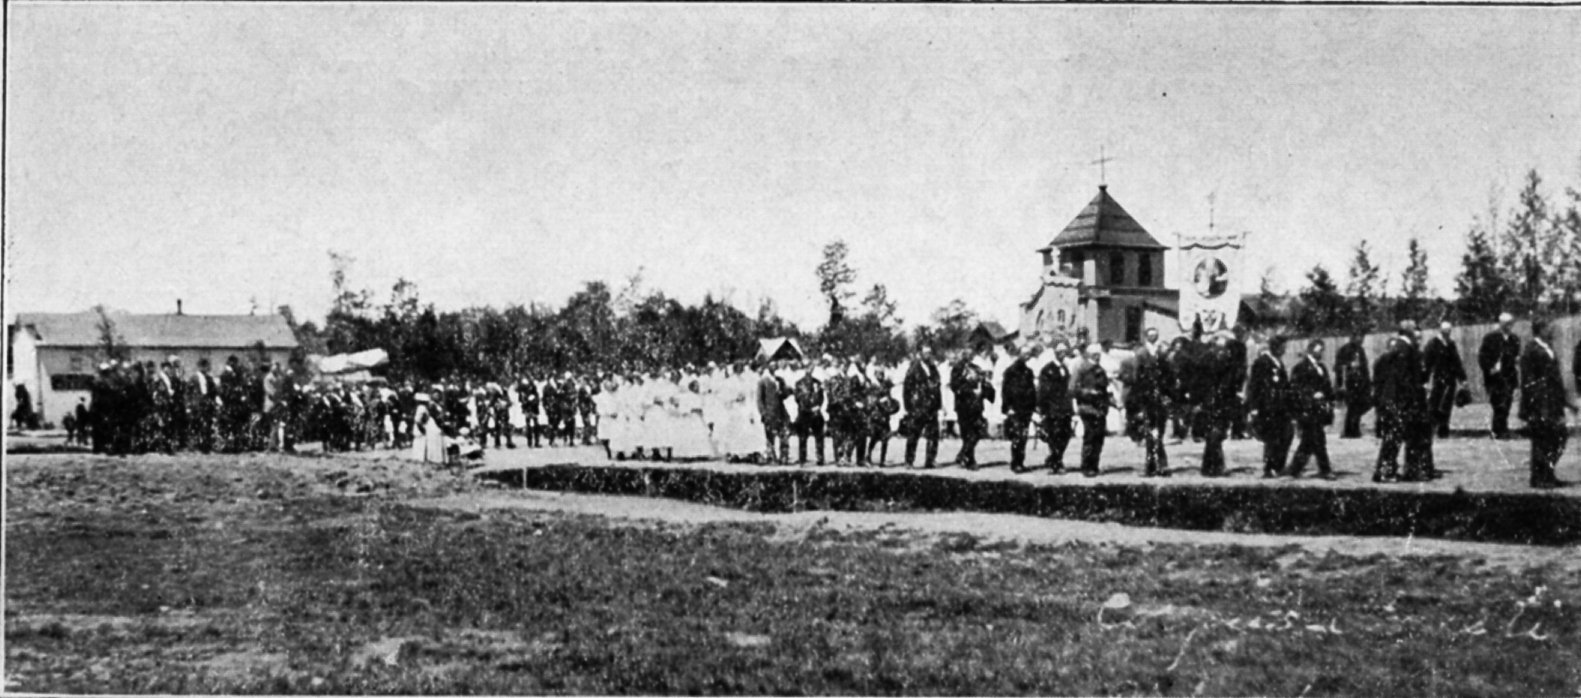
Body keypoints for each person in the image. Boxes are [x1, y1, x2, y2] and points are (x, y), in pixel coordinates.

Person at [1520, 318, 1574, 488]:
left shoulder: (1547, 347)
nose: (1551, 330)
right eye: (1548, 327)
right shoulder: (1531, 350)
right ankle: (1539, 478)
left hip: (1553, 402)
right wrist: (1536, 405)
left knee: (1559, 437)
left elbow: (1555, 379)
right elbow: (1528, 381)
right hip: (1540, 404)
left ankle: (1548, 473)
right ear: (1541, 329)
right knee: (1543, 440)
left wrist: (1566, 402)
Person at [1286, 339, 1336, 480]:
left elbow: (1327, 387)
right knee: (1318, 439)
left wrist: (1328, 399)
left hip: (1319, 410)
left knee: (1308, 442)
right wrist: (1311, 395)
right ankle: (1325, 469)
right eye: (1319, 350)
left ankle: (1294, 469)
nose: (1321, 353)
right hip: (1308, 410)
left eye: (1322, 350)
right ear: (1311, 350)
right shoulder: (1300, 368)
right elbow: (1296, 389)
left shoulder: (1321, 367)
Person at [1246, 334, 1294, 479]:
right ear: (1275, 347)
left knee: (1286, 435)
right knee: (1272, 439)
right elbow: (1254, 386)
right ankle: (1270, 468)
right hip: (1267, 407)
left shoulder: (1279, 363)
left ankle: (1279, 466)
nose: (1284, 350)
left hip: (1282, 407)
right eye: (1282, 347)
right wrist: (1254, 408)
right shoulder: (1262, 362)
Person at [1125, 339, 1172, 477]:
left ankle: (1155, 465)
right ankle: (1158, 465)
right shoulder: (1158, 369)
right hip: (1153, 404)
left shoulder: (1157, 370)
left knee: (1154, 435)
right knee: (1154, 435)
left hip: (1154, 404)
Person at [1478, 313, 1523, 439]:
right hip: (1495, 378)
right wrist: (1490, 368)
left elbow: (1516, 356)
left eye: (1511, 323)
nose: (1509, 326)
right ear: (1501, 323)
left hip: (1509, 376)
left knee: (1507, 404)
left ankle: (1501, 429)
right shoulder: (1490, 338)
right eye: (1506, 323)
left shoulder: (1514, 339)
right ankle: (1498, 430)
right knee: (1498, 404)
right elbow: (1482, 357)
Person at [1200, 333, 1238, 477]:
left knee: (1217, 434)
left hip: (1224, 401)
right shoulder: (1207, 359)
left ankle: (1209, 466)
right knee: (1214, 434)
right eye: (1221, 347)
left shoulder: (1228, 359)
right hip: (1211, 401)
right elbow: (1202, 381)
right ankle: (1215, 466)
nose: (1224, 350)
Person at [1073, 343, 1112, 477]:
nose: (1097, 357)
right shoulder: (1081, 368)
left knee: (1099, 438)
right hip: (1088, 407)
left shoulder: (1100, 369)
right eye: (1095, 354)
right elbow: (1073, 389)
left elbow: (1104, 388)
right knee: (1090, 437)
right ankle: (1086, 466)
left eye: (1099, 354)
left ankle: (1094, 465)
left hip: (1101, 408)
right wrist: (1089, 393)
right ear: (1089, 355)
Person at [950, 349, 993, 470]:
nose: (969, 356)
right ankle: (969, 460)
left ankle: (963, 454)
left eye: (971, 354)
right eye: (966, 354)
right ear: (962, 355)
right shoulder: (957, 368)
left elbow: (984, 383)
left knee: (979, 430)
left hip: (977, 405)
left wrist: (985, 390)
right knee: (967, 433)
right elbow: (955, 386)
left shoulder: (976, 368)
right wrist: (970, 391)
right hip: (963, 405)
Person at [1423, 321, 1467, 439]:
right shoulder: (1433, 344)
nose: (1447, 333)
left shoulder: (1451, 344)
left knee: (1446, 406)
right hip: (1438, 379)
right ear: (1440, 331)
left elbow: (1457, 362)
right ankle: (1430, 429)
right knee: (1434, 405)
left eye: (1449, 331)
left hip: (1450, 379)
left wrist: (1462, 379)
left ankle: (1443, 429)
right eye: (1445, 331)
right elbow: (1427, 364)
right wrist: (1425, 381)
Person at [1037, 341, 1076, 473]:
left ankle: (1055, 458)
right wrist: (1043, 408)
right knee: (1054, 435)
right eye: (1060, 352)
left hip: (1065, 408)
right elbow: (1044, 391)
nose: (1062, 354)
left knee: (1065, 435)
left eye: (1064, 352)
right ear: (1055, 353)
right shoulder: (1047, 369)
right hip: (1053, 408)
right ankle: (1056, 462)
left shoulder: (1065, 368)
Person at [902, 347, 943, 468]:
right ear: (920, 354)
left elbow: (937, 385)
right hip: (918, 407)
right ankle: (909, 461)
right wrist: (909, 406)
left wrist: (938, 404)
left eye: (930, 353)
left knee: (933, 435)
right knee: (914, 434)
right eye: (926, 353)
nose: (928, 355)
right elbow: (907, 388)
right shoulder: (914, 369)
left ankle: (930, 460)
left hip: (932, 407)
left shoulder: (933, 368)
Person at [1000, 345, 1038, 473]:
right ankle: (1015, 462)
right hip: (1015, 408)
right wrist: (1008, 407)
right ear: (1019, 354)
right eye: (1025, 353)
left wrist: (1034, 406)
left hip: (1026, 408)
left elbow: (1032, 390)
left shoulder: (1028, 371)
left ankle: (1020, 462)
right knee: (1017, 436)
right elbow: (1005, 391)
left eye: (1029, 354)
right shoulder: (1011, 371)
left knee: (1023, 436)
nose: (1027, 356)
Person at [1334, 331, 1372, 438]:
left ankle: (1354, 429)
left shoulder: (1360, 350)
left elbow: (1364, 368)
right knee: (1352, 407)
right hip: (1349, 384)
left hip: (1361, 383)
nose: (1361, 339)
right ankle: (1349, 431)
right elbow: (1339, 367)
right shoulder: (1344, 350)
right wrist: (1350, 366)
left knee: (1360, 406)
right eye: (1359, 337)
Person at [793, 362, 827, 465]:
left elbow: (821, 397)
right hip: (804, 412)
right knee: (802, 436)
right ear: (805, 369)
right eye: (808, 368)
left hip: (815, 412)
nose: (809, 371)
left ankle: (820, 458)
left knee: (819, 436)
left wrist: (817, 406)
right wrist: (808, 408)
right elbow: (798, 399)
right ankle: (802, 458)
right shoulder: (799, 383)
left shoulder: (818, 382)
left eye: (811, 368)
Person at [757, 362, 791, 464]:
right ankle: (771, 457)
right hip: (770, 412)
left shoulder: (780, 380)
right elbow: (759, 399)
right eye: (772, 367)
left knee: (784, 434)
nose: (774, 368)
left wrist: (785, 392)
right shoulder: (763, 381)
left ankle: (784, 456)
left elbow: (785, 395)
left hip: (781, 411)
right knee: (770, 436)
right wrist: (763, 412)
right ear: (768, 368)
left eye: (775, 367)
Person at [866, 368, 900, 467]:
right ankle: (868, 457)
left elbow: (889, 398)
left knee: (885, 439)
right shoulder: (872, 387)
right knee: (874, 438)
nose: (881, 376)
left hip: (884, 415)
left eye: (882, 374)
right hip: (875, 416)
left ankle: (882, 460)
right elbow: (870, 400)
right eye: (879, 374)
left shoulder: (885, 386)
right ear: (875, 375)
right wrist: (880, 400)